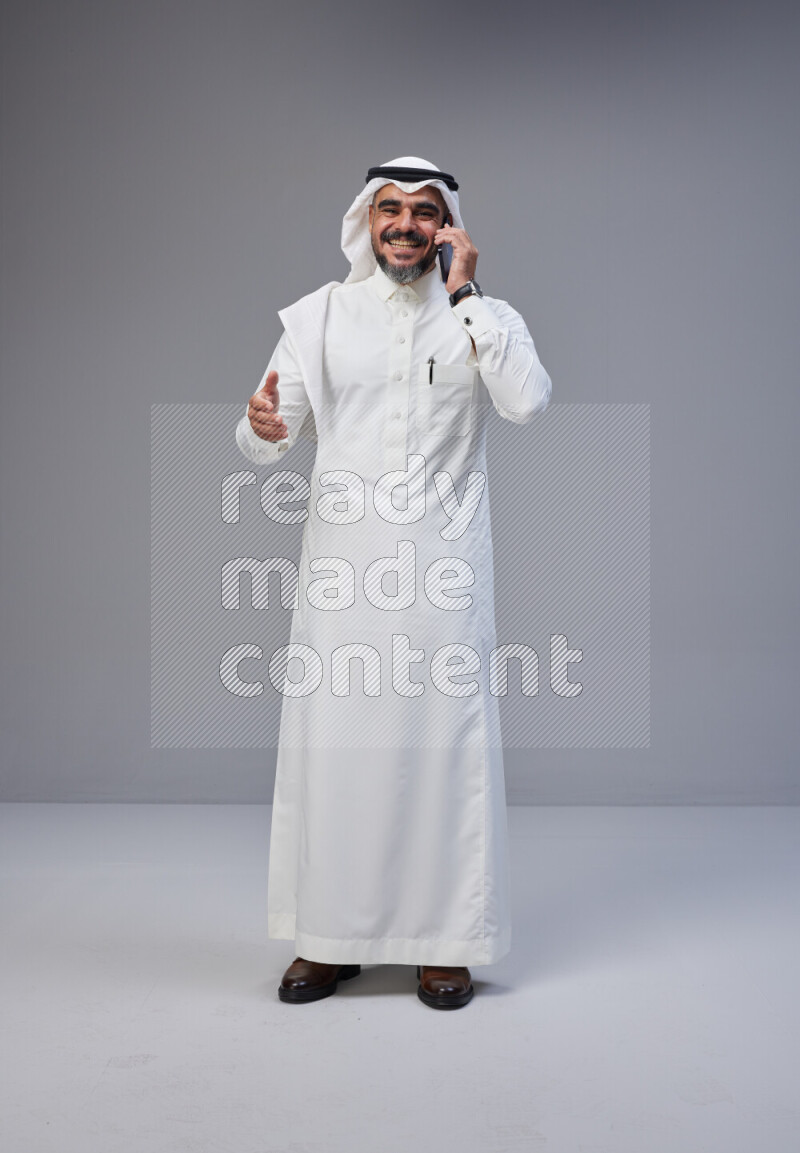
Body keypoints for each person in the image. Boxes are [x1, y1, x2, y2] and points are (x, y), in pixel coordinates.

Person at [234, 156, 552, 1009]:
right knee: (335, 755)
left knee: (442, 754)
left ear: (446, 227)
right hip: (342, 575)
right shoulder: (319, 317)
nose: (404, 224)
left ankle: (443, 943)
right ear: (365, 223)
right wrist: (259, 426)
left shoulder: (482, 317)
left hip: (445, 579)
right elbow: (266, 432)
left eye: (423, 211)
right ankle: (329, 940)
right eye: (389, 209)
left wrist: (468, 296)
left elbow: (526, 401)